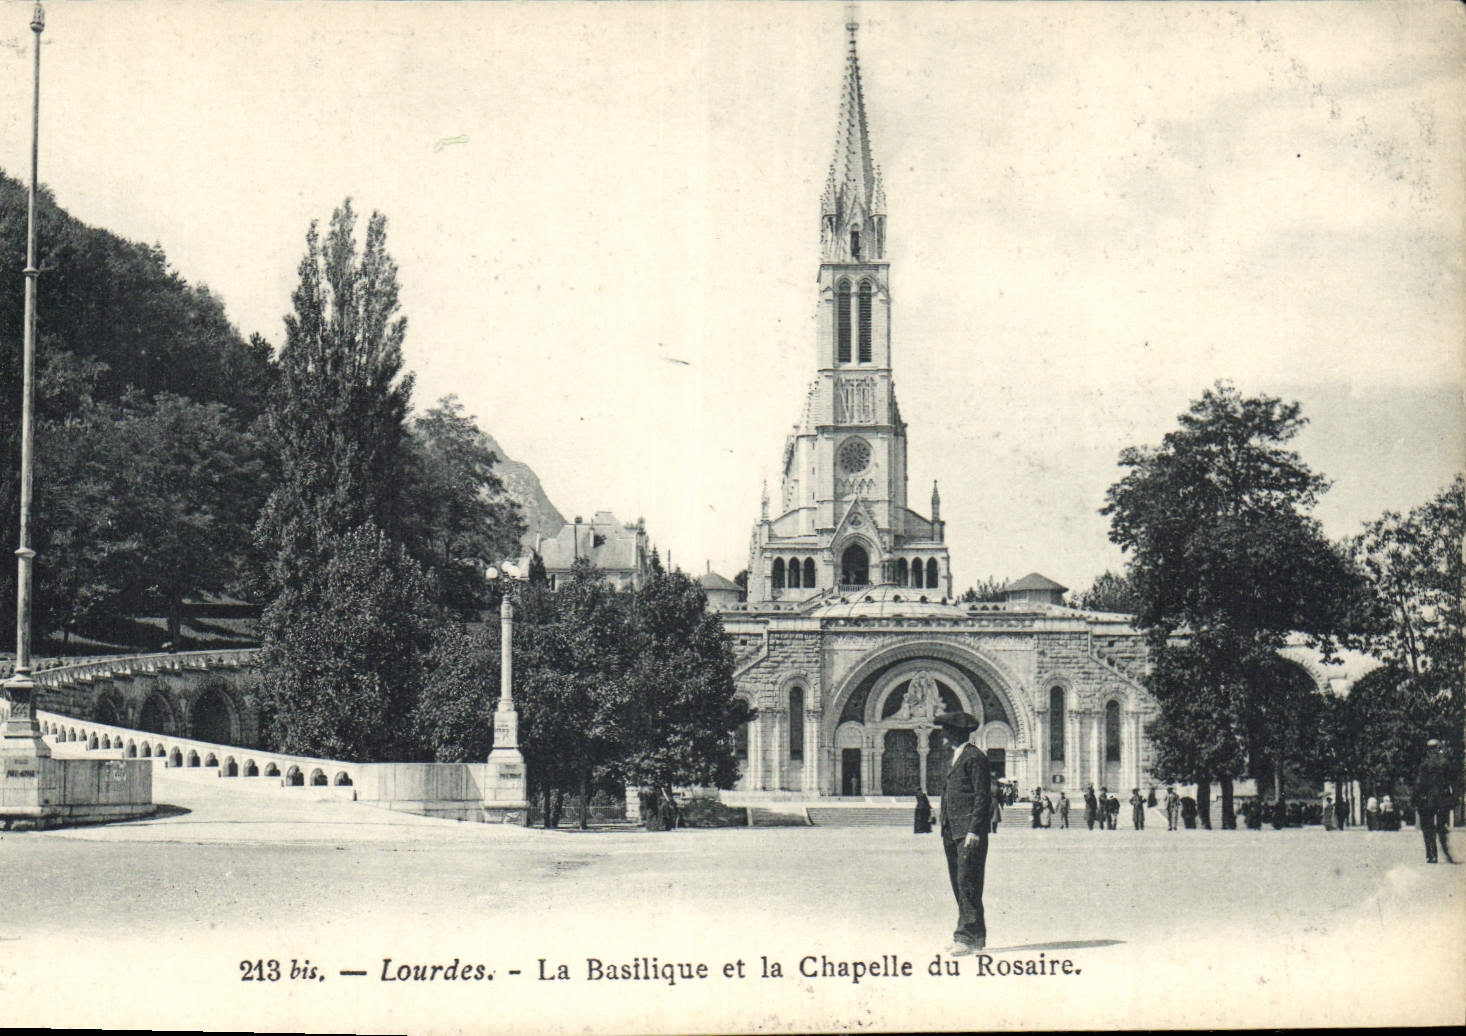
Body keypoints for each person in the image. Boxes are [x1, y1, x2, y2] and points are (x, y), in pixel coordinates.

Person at [934, 710, 991, 954]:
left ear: (955, 733)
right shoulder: (957, 757)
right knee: (961, 883)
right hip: (952, 830)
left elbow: (982, 797)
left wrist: (974, 830)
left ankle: (965, 937)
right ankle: (974, 936)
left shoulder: (974, 757)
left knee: (967, 882)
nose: (943, 736)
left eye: (945, 732)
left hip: (967, 832)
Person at [1414, 738, 1457, 864]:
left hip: (1428, 800)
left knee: (1427, 827)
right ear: (1439, 748)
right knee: (1441, 826)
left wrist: (1416, 798)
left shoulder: (1424, 764)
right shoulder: (1446, 763)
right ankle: (1446, 852)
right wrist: (1453, 797)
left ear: (1428, 750)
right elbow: (1453, 781)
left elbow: (1419, 783)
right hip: (1443, 799)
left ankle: (1432, 855)